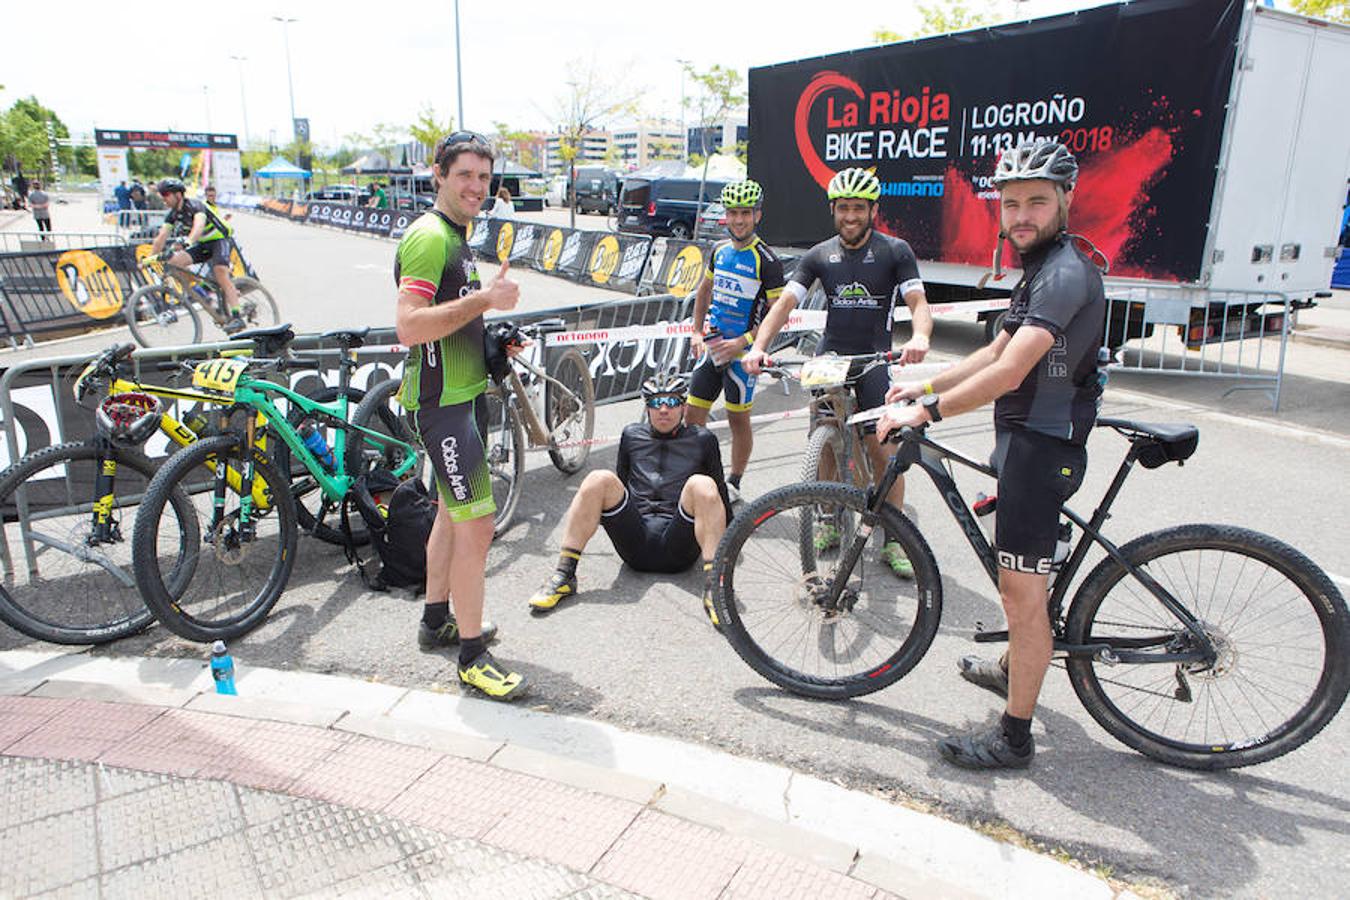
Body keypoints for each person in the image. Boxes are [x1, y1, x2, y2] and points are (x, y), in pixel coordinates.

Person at [876, 140, 1106, 771]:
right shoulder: (1041, 268)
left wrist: (925, 413)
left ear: (1065, 201)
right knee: (1020, 583)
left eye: (1036, 200)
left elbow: (1009, 371)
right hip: (1027, 439)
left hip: (1042, 446)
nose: (1022, 214)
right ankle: (1012, 668)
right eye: (1011, 204)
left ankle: (1014, 738)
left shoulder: (1063, 273)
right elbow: (991, 350)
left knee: (1020, 600)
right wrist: (923, 384)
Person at [743, 166, 933, 577]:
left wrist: (919, 337)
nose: (850, 216)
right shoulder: (819, 255)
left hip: (873, 361)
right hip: (831, 358)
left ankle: (895, 536)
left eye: (858, 209)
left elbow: (918, 302)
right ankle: (828, 517)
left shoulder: (894, 251)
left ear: (873, 210)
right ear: (834, 210)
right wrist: (758, 346)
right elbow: (783, 306)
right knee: (824, 442)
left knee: (884, 450)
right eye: (843, 208)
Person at [394, 131, 525, 701]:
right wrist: (484, 303)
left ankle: (436, 621)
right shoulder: (429, 238)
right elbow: (409, 326)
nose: (476, 186)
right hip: (444, 406)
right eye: (465, 175)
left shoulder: (457, 235)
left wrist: (490, 337)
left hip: (464, 392)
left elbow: (448, 323)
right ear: (439, 175)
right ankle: (472, 656)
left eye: (483, 177)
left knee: (452, 515)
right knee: (477, 526)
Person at [527, 372, 734, 629]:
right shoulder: (631, 435)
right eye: (656, 403)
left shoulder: (703, 440)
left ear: (683, 406)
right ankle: (564, 574)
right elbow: (620, 489)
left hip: (680, 545)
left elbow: (719, 499)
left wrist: (728, 545)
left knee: (702, 484)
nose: (664, 410)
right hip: (636, 545)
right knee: (598, 478)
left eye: (671, 402)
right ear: (647, 407)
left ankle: (716, 586)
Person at [684, 179, 784, 501]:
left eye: (745, 213)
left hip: (742, 355)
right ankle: (697, 476)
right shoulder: (719, 251)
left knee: (737, 419)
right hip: (712, 347)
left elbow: (777, 316)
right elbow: (704, 291)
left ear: (757, 215)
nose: (738, 220)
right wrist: (697, 331)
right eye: (732, 213)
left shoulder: (767, 260)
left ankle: (735, 483)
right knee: (692, 415)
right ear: (724, 216)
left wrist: (744, 342)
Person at [149, 178, 244, 332]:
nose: (163, 198)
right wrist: (150, 258)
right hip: (202, 244)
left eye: (165, 194)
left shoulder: (195, 205)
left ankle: (237, 317)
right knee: (174, 262)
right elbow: (161, 237)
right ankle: (203, 291)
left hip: (220, 240)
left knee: (220, 273)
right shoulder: (172, 215)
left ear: (178, 195)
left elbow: (198, 226)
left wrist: (189, 241)